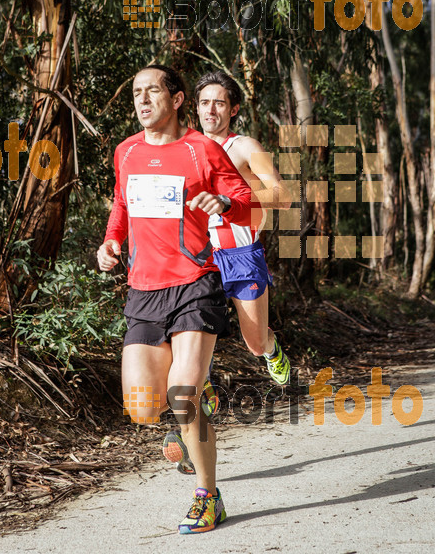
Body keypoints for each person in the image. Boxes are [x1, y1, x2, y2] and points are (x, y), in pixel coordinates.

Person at [97, 64, 252, 534]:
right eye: (137, 93)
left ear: (178, 98)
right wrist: (110, 243)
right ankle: (198, 402)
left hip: (195, 283)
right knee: (144, 407)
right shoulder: (126, 152)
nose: (143, 100)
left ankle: (208, 496)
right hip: (144, 290)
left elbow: (243, 197)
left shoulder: (201, 149)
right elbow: (121, 207)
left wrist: (222, 204)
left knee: (182, 395)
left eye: (153, 91)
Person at [195, 70, 292, 385]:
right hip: (197, 254)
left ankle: (271, 350)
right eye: (205, 103)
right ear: (195, 108)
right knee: (191, 328)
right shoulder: (185, 148)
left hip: (239, 251)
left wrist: (231, 200)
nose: (211, 110)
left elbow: (283, 197)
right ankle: (200, 388)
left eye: (219, 104)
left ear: (233, 109)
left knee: (254, 342)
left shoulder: (244, 146)